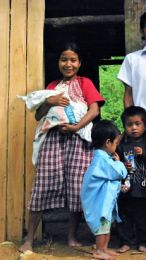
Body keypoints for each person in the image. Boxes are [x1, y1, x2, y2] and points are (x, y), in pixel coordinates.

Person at [19, 42, 105, 252]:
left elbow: (93, 111)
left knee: (76, 186)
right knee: (43, 184)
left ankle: (72, 236)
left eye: (73, 60)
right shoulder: (51, 87)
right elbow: (39, 115)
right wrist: (51, 101)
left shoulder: (85, 83)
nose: (68, 64)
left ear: (79, 63)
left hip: (78, 140)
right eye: (64, 59)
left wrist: (76, 127)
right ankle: (29, 239)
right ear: (58, 62)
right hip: (53, 140)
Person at [116, 106, 146, 253]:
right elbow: (115, 164)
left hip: (145, 190)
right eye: (129, 125)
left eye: (137, 124)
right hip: (126, 190)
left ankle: (144, 242)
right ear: (124, 127)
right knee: (124, 217)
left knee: (145, 218)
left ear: (145, 126)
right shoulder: (121, 146)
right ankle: (125, 242)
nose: (133, 128)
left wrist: (145, 154)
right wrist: (123, 165)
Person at [81, 120, 127, 260]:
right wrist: (119, 163)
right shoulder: (103, 160)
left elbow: (107, 181)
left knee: (106, 225)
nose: (116, 146)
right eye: (115, 143)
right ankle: (99, 250)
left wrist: (119, 186)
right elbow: (120, 173)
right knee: (102, 227)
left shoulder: (102, 159)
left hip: (102, 201)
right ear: (108, 142)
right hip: (99, 203)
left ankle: (104, 248)